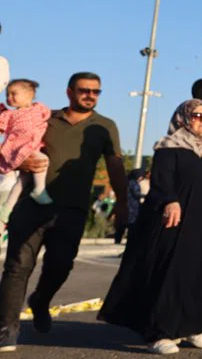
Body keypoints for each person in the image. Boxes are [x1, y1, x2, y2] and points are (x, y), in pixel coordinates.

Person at [0, 72, 128, 350]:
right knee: (16, 267)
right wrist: (19, 163)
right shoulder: (44, 118)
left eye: (96, 92)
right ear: (69, 91)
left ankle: (41, 300)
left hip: (72, 210)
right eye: (84, 90)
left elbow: (115, 166)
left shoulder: (105, 126)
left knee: (60, 266)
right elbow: (16, 141)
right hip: (30, 206)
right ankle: (6, 330)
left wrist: (122, 203)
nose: (90, 96)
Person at [99, 100, 202, 355]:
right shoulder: (169, 147)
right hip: (173, 220)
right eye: (196, 115)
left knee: (199, 275)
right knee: (169, 274)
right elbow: (162, 182)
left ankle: (192, 326)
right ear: (183, 118)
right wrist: (170, 201)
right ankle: (159, 332)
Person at [0, 79, 52, 225]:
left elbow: (47, 118)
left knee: (22, 181)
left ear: (29, 94)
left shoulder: (39, 109)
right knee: (42, 160)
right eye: (7, 94)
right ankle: (39, 189)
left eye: (13, 94)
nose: (9, 97)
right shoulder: (8, 115)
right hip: (18, 147)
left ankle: (6, 209)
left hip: (32, 146)